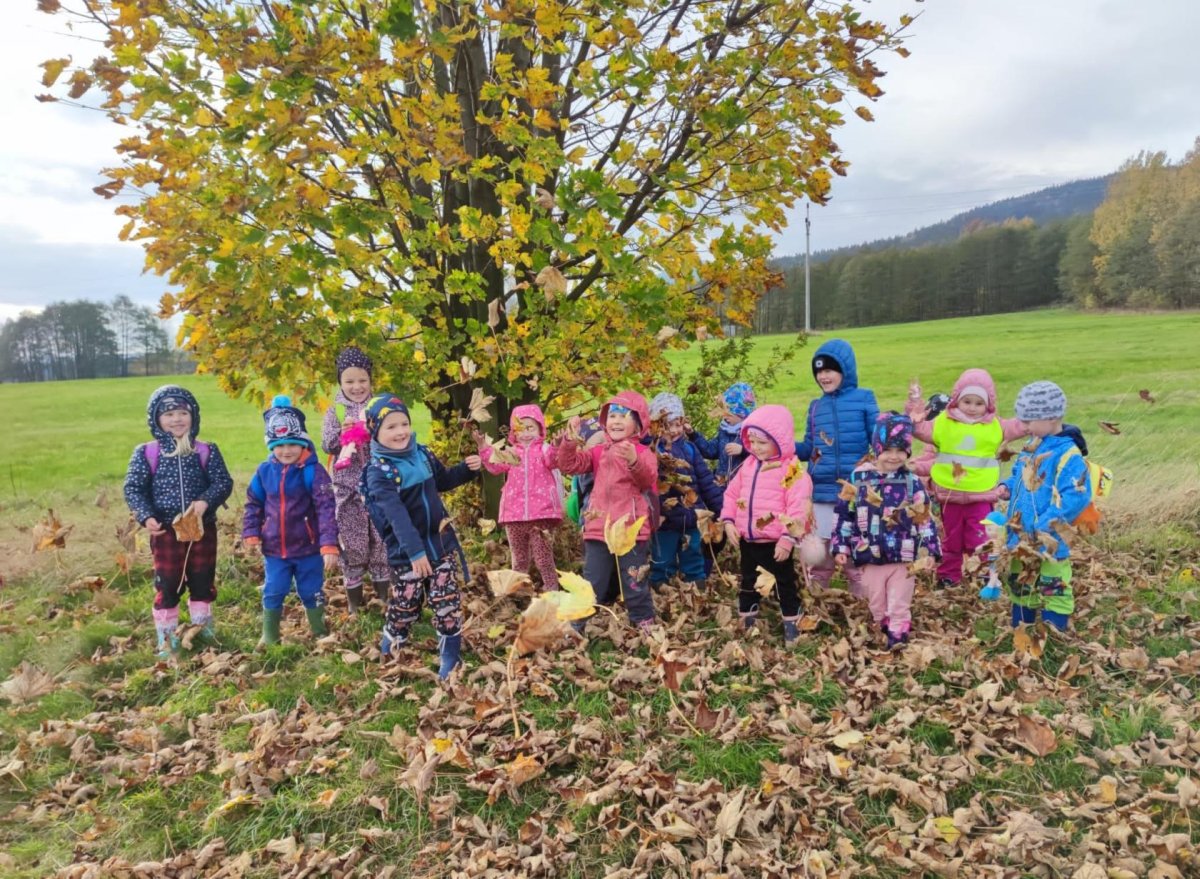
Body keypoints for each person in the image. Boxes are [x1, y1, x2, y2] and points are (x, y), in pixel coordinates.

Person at [361, 395, 482, 678]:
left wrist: (467, 469)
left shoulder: (422, 454)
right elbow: (397, 518)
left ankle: (450, 655)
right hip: (407, 553)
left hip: (439, 544)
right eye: (391, 427)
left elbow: (444, 480)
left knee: (447, 601)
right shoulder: (379, 472)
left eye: (404, 423)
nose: (401, 431)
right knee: (407, 603)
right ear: (375, 431)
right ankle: (392, 642)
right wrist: (415, 553)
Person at [124, 385, 233, 659]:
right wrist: (146, 516)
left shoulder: (206, 450)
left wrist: (205, 501)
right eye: (169, 414)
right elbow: (134, 489)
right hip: (165, 532)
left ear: (193, 415)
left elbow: (223, 482)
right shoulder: (147, 453)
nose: (177, 419)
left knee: (202, 579)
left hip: (201, 530)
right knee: (168, 583)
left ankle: (202, 633)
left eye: (183, 413)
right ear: (156, 419)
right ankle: (167, 641)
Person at [908, 370, 1028, 589]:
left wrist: (1032, 411)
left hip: (981, 494)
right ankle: (948, 576)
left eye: (979, 403)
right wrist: (914, 408)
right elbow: (920, 429)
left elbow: (1020, 426)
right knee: (950, 539)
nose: (972, 408)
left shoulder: (996, 425)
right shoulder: (943, 422)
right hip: (949, 494)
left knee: (981, 538)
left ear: (989, 404)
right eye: (967, 401)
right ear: (956, 399)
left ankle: (983, 575)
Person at [832, 413, 941, 649]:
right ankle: (883, 623)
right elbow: (844, 513)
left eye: (901, 450)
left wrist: (930, 549)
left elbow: (924, 518)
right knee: (876, 603)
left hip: (903, 554)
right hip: (868, 553)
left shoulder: (911, 481)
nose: (894, 456)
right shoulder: (859, 478)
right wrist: (840, 545)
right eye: (888, 450)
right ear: (877, 448)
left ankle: (898, 633)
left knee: (899, 601)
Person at [557, 391, 659, 632]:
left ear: (638, 424)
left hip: (630, 529)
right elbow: (569, 465)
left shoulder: (643, 453)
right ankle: (577, 624)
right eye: (612, 416)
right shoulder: (598, 452)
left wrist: (634, 461)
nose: (616, 421)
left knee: (634, 579)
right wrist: (569, 442)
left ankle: (643, 620)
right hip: (599, 527)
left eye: (623, 416)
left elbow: (647, 481)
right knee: (592, 581)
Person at [243, 396, 340, 646]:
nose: (286, 451)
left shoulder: (313, 472)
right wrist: (252, 532)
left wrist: (329, 544)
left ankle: (319, 630)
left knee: (311, 590)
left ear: (303, 442)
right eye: (280, 445)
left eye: (292, 444)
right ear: (271, 446)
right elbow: (253, 503)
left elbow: (326, 508)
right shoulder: (264, 472)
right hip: (275, 549)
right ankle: (270, 635)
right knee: (273, 590)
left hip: (309, 549)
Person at [999, 381, 1093, 632]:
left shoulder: (1067, 454)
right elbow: (1020, 477)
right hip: (1022, 538)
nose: (1024, 426)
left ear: (1051, 417)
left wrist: (1045, 524)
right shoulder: (1031, 446)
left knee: (1054, 587)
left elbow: (1076, 496)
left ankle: (1055, 634)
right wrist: (1006, 487)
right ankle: (1022, 631)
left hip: (1050, 540)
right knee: (1021, 585)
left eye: (1029, 420)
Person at [720, 404, 813, 644]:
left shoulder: (791, 470)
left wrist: (788, 538)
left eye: (762, 442)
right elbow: (732, 494)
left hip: (776, 542)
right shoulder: (749, 465)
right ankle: (747, 622)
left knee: (784, 584)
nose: (756, 448)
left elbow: (798, 507)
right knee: (748, 582)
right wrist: (729, 521)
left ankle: (792, 624)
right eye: (752, 442)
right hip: (748, 540)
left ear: (779, 440)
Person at [793, 340, 879, 593]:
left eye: (829, 370)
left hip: (854, 489)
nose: (823, 376)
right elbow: (809, 447)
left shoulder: (864, 399)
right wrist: (784, 446)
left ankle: (861, 596)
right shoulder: (816, 407)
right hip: (822, 488)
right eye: (819, 371)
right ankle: (817, 593)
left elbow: (879, 438)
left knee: (854, 544)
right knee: (822, 547)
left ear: (845, 370)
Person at [321, 347, 392, 614]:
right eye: (349, 381)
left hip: (378, 487)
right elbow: (327, 445)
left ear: (370, 379)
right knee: (353, 543)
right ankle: (354, 602)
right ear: (340, 381)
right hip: (347, 490)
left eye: (362, 380)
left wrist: (373, 431)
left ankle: (383, 598)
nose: (357, 386)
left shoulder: (380, 407)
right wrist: (343, 434)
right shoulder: (336, 411)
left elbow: (394, 437)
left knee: (381, 540)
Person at [480, 404, 563, 591]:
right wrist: (484, 449)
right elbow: (494, 466)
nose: (526, 433)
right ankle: (519, 594)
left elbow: (553, 461)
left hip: (541, 515)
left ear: (540, 429)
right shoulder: (510, 453)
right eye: (520, 429)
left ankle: (552, 590)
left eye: (530, 428)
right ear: (513, 432)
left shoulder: (544, 450)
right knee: (519, 560)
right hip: (514, 515)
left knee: (543, 558)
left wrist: (557, 446)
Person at [646, 393, 724, 592]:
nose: (673, 430)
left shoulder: (690, 449)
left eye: (677, 424)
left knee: (693, 555)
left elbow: (706, 481)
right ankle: (662, 588)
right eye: (667, 426)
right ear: (656, 426)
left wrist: (721, 510)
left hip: (691, 517)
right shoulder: (651, 452)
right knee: (663, 559)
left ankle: (696, 587)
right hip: (665, 519)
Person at [688, 382, 756, 484]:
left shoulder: (753, 433)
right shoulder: (725, 430)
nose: (724, 417)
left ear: (742, 414)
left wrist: (743, 450)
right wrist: (693, 434)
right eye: (723, 414)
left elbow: (762, 455)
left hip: (743, 483)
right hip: (722, 482)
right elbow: (710, 450)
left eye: (729, 414)